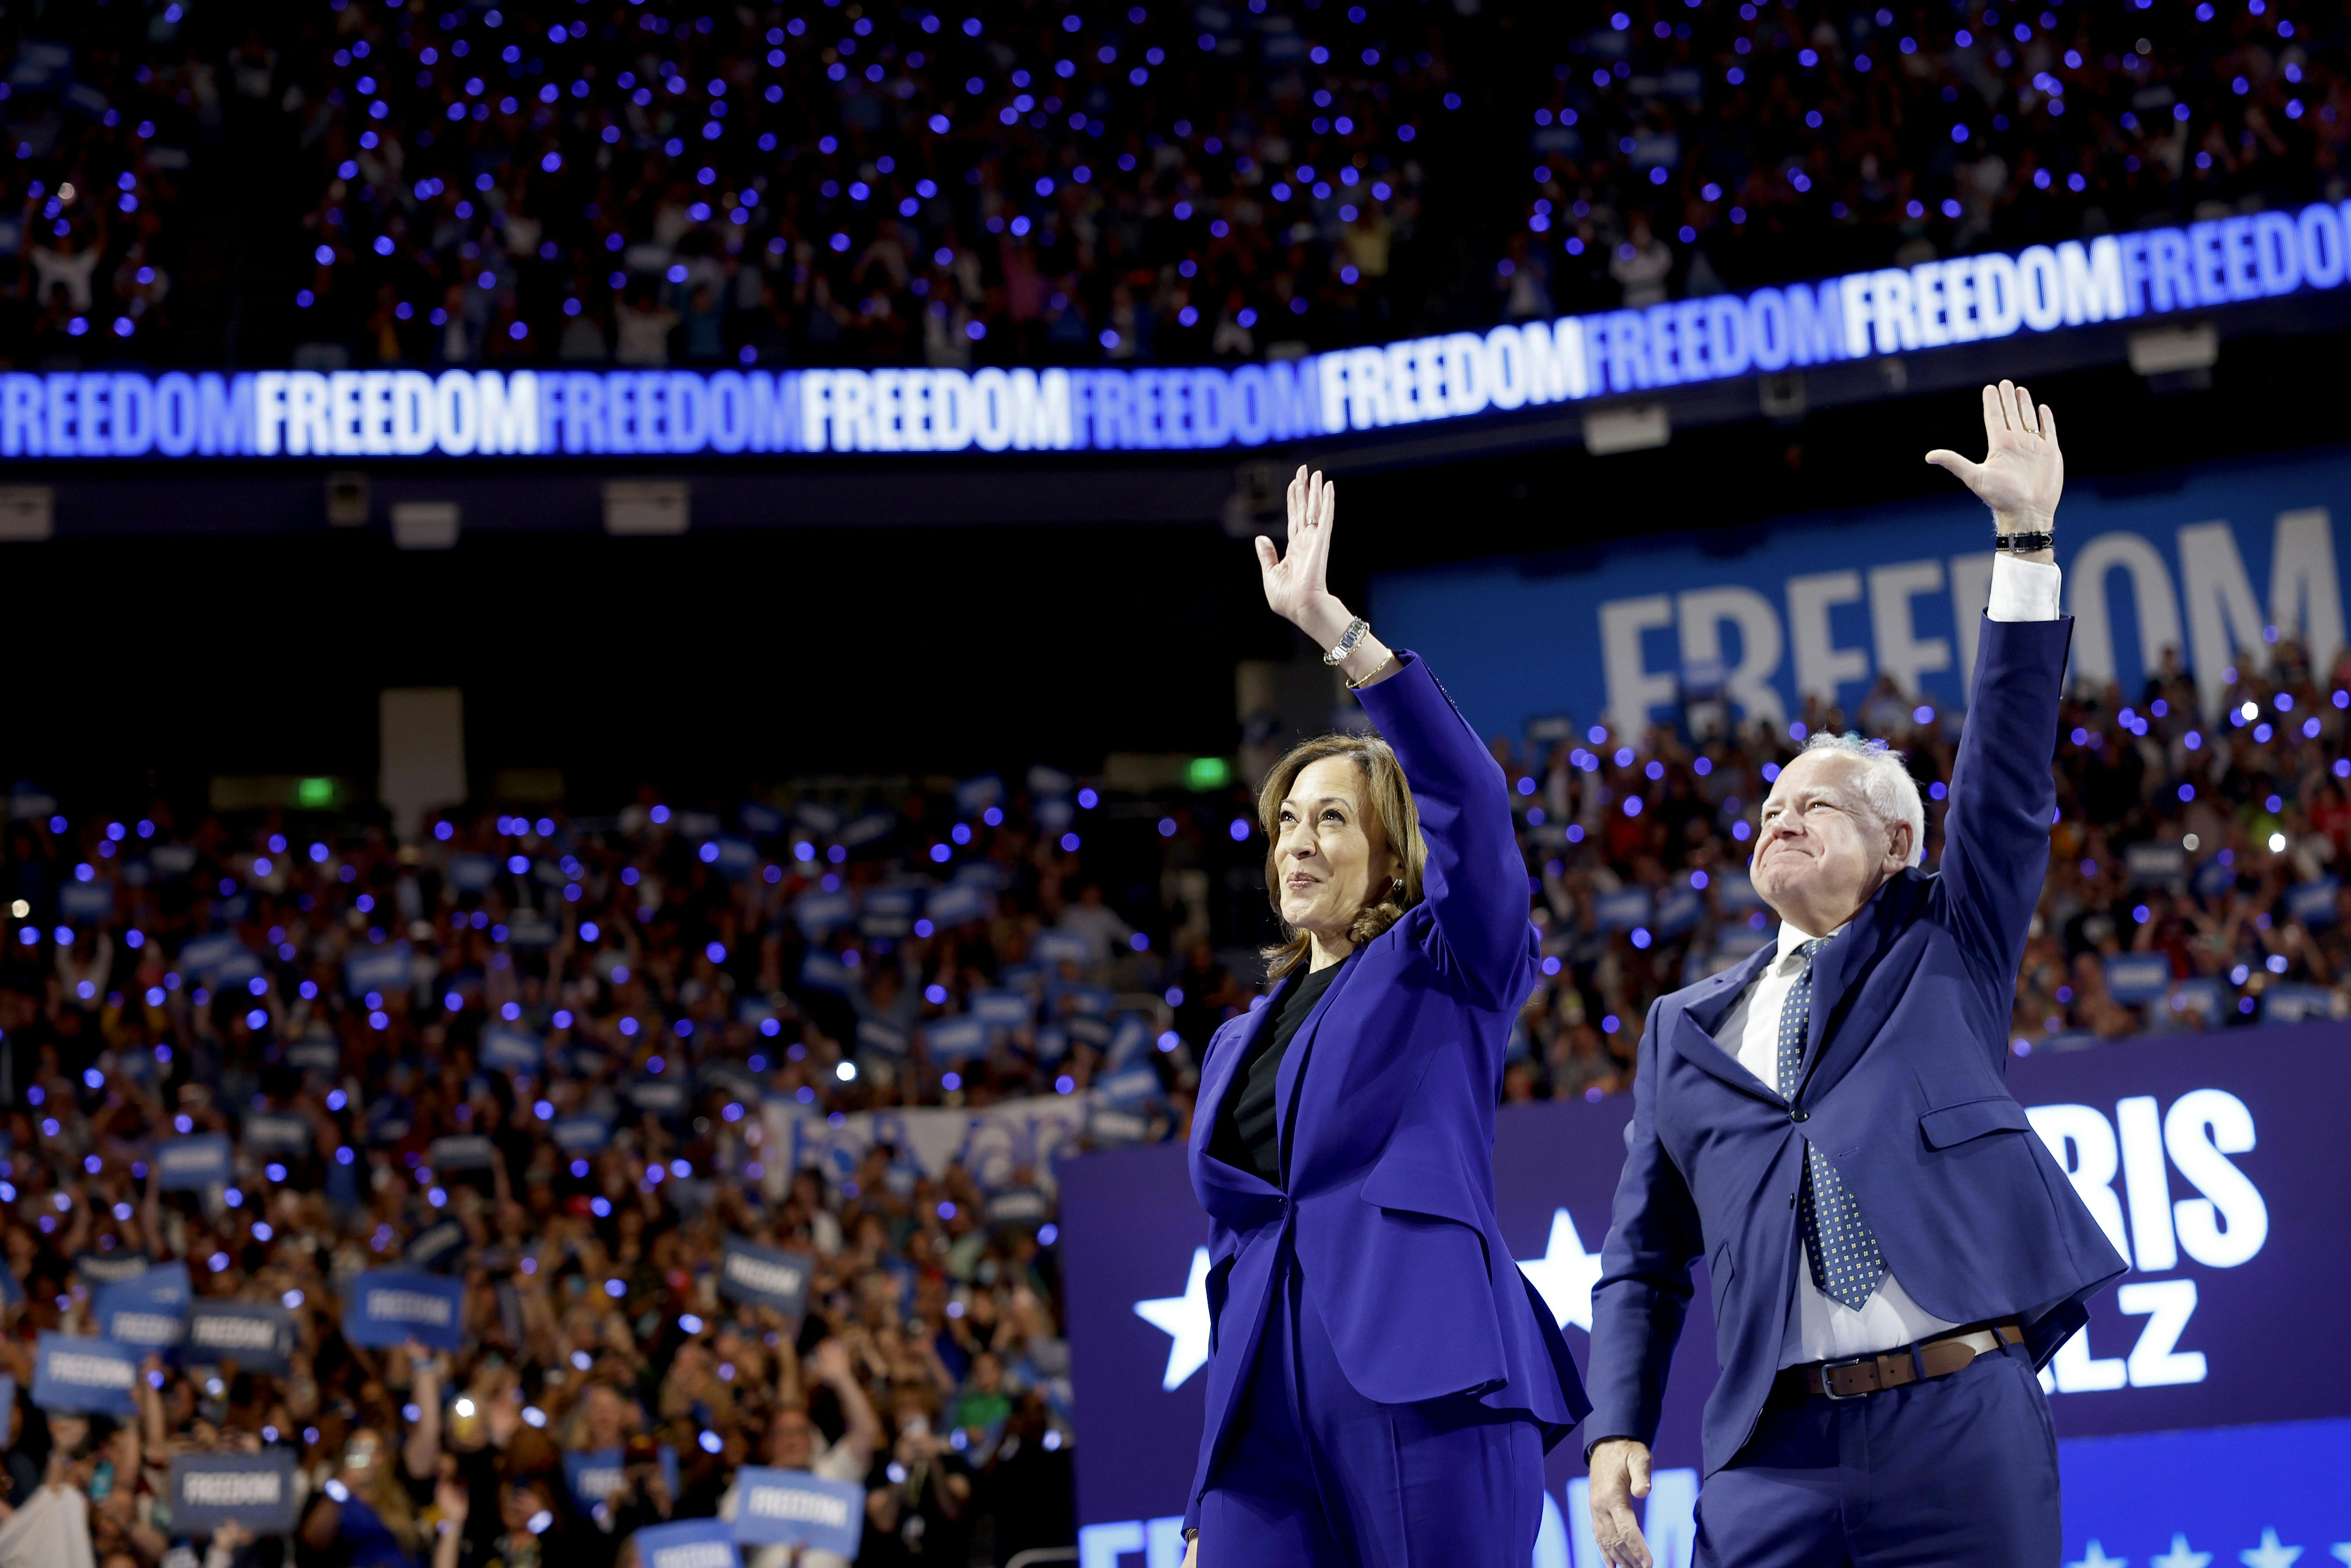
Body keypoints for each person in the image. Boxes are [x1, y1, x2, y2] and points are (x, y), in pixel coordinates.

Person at [1582, 384, 2128, 1568]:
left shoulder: (1948, 941)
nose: (1778, 818)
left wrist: (2024, 547)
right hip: (1769, 1459)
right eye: (1768, 808)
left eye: (1815, 803)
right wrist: (1617, 1420)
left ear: (1898, 846)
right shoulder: (1684, 1029)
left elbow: (2007, 772)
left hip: (1958, 1427)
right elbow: (1640, 1254)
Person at [1179, 467, 1589, 1567]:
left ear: (1391, 853)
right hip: (1260, 1419)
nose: (1297, 843)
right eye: (1285, 824)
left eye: (1331, 821)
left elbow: (1471, 803)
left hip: (1424, 1380)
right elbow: (1234, 1254)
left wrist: (1336, 634)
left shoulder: (1447, 963)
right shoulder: (1235, 1037)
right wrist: (1200, 1487)